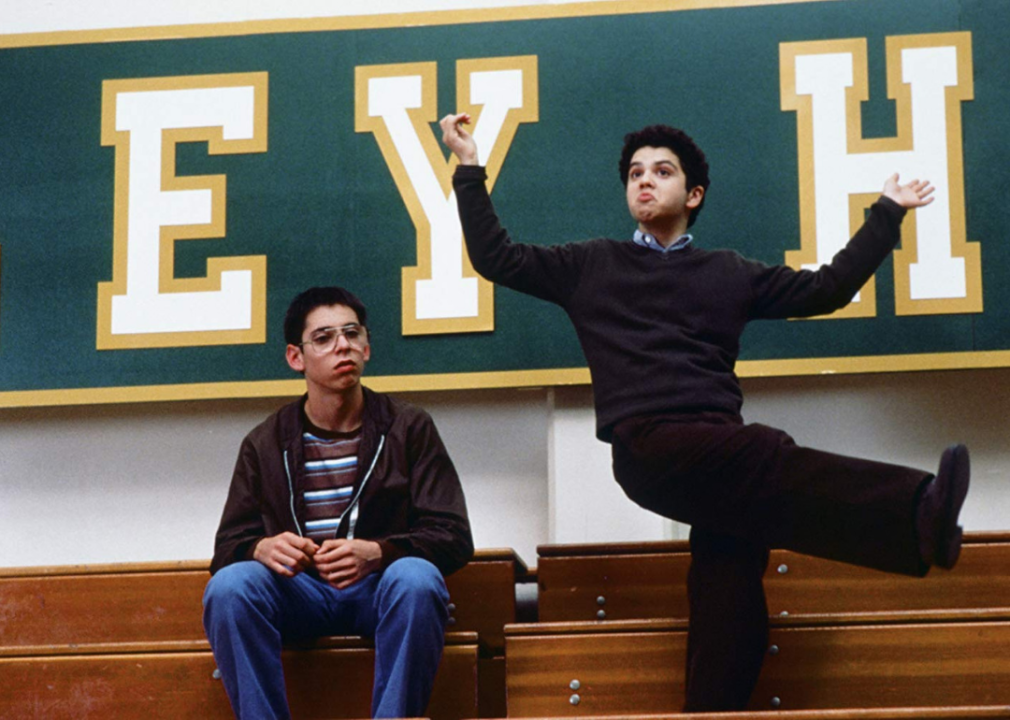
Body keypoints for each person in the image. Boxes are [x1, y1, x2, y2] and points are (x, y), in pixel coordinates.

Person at [441, 116, 970, 711]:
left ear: (692, 195)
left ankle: (711, 711)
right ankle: (916, 512)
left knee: (729, 569)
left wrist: (887, 213)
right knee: (763, 449)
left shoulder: (730, 273)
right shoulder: (591, 264)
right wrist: (467, 163)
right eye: (635, 174)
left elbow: (828, 289)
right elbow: (496, 257)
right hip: (650, 447)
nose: (645, 182)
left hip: (719, 449)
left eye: (661, 172)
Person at [203, 286, 473, 719]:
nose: (342, 345)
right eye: (324, 337)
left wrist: (379, 552)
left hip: (379, 589)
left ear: (367, 346)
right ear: (296, 357)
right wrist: (260, 548)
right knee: (231, 587)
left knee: (417, 579)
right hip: (300, 592)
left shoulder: (409, 427)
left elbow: (454, 536)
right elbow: (227, 546)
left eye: (351, 333)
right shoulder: (265, 442)